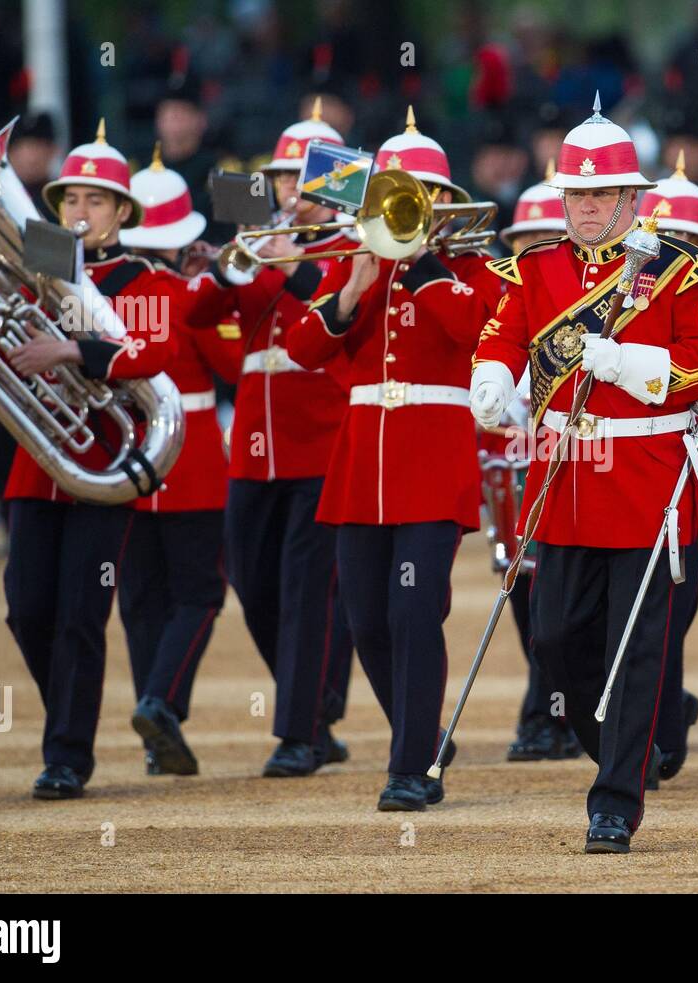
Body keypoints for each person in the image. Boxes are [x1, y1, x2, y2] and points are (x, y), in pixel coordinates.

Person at [469, 97, 698, 853]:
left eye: (600, 195)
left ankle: (614, 800)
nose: (586, 208)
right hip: (567, 478)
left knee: (637, 647)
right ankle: (633, 741)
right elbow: (502, 336)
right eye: (575, 195)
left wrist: (634, 365)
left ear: (631, 198)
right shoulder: (533, 267)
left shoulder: (680, 269)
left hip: (650, 476)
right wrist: (491, 380)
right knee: (554, 639)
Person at [282, 112, 491, 812]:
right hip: (361, 460)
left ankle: (412, 768)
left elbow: (471, 328)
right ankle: (423, 733)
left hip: (432, 455)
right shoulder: (352, 263)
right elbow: (303, 351)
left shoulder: (469, 267)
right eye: (391, 198)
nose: (401, 208)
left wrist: (422, 261)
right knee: (365, 619)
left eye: (414, 197)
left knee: (411, 613)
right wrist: (350, 290)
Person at [5, 121, 178, 799]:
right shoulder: (33, 275)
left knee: (81, 609)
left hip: (105, 461)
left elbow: (154, 351)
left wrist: (76, 350)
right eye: (70, 199)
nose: (79, 211)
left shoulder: (143, 279)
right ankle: (69, 717)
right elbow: (7, 354)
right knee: (25, 606)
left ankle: (67, 754)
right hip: (37, 462)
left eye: (96, 201)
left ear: (122, 213)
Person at [185, 102, 353, 777]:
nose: (293, 192)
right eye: (285, 179)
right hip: (256, 436)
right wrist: (226, 265)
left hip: (324, 432)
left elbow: (340, 312)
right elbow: (198, 313)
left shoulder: (355, 242)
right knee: (253, 582)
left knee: (307, 588)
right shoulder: (257, 244)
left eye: (307, 180)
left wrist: (288, 264)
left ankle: (297, 734)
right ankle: (315, 708)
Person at [115, 148, 244, 775]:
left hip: (121, 458)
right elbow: (232, 367)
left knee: (142, 598)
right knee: (199, 595)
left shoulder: (98, 293)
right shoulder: (186, 293)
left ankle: (154, 724)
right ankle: (160, 703)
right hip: (188, 458)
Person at [632, 150, 698, 780]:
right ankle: (657, 727)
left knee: (674, 605)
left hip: (695, 456)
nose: (677, 247)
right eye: (669, 237)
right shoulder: (634, 282)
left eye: (687, 237)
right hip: (639, 452)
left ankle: (663, 730)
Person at [492, 161, 582, 762]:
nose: (526, 251)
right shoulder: (513, 299)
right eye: (519, 242)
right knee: (527, 596)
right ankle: (548, 710)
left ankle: (549, 713)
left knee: (561, 600)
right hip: (520, 467)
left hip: (572, 466)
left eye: (537, 240)